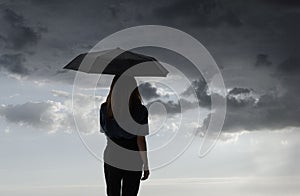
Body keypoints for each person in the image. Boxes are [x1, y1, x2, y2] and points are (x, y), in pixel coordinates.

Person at [100, 75, 150, 196]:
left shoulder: (105, 108)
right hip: (132, 155)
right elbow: (140, 140)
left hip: (112, 153)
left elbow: (105, 132)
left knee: (113, 192)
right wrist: (146, 164)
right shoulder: (141, 110)